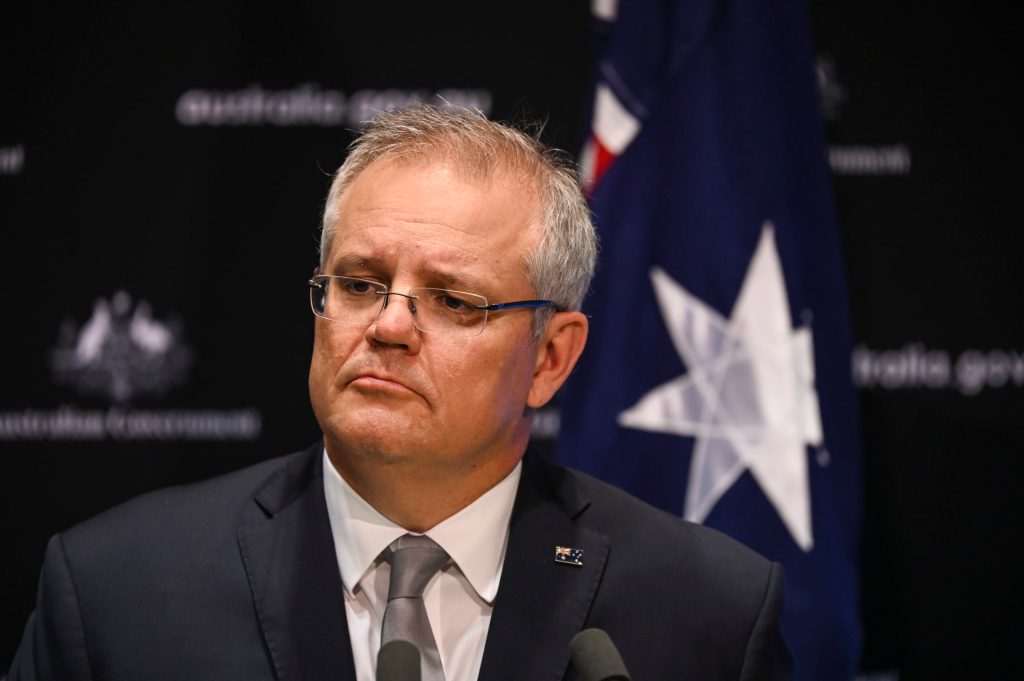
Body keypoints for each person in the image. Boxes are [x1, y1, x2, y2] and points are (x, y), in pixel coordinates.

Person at [8, 106, 793, 681]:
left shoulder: (706, 610)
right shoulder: (118, 588)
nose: (388, 326)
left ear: (551, 357)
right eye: (359, 283)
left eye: (454, 300)